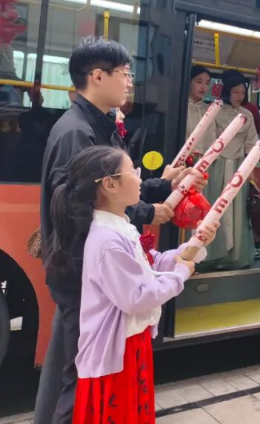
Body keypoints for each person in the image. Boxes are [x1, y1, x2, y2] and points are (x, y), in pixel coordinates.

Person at [34, 37, 206, 424]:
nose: (130, 82)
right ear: (98, 76)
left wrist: (162, 183)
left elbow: (112, 185)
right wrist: (147, 212)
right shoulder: (77, 132)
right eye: (125, 74)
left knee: (72, 369)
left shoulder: (95, 124)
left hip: (88, 273)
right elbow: (83, 202)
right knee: (81, 379)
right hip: (85, 274)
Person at [46, 145, 214, 423]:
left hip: (129, 345)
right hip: (117, 355)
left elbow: (152, 264)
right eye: (133, 172)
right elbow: (137, 297)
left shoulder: (120, 227)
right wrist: (180, 275)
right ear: (110, 184)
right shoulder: (108, 240)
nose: (139, 179)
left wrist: (196, 244)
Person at [201, 69, 259, 271]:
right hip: (216, 163)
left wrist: (250, 170)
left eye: (242, 93)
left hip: (239, 166)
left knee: (236, 211)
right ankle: (210, 255)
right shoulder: (215, 110)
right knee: (213, 207)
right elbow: (208, 138)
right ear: (227, 91)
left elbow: (251, 143)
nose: (239, 96)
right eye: (236, 92)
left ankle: (234, 256)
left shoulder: (247, 114)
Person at [186, 65, 216, 161]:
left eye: (207, 83)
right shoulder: (179, 106)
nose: (203, 87)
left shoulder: (209, 110)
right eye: (199, 82)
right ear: (189, 81)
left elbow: (211, 139)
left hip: (200, 161)